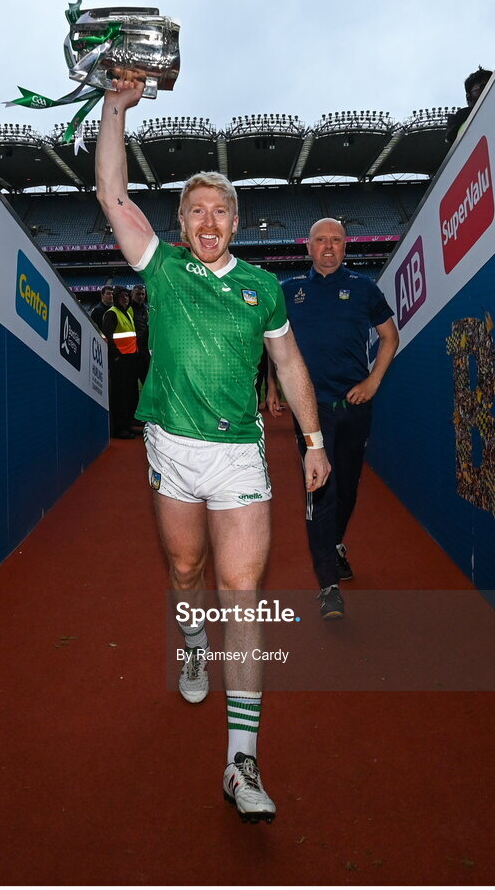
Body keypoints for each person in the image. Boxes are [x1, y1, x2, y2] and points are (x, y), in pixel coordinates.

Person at [96, 75, 330, 825]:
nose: (207, 219)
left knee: (242, 594)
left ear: (236, 221)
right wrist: (115, 109)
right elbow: (110, 194)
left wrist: (314, 439)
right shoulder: (160, 268)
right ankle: (189, 641)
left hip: (240, 459)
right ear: (182, 221)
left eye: (219, 209)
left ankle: (241, 762)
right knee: (188, 571)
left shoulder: (264, 287)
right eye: (195, 209)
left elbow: (288, 366)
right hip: (171, 448)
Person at [268, 218, 399, 619]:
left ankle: (335, 543)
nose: (328, 247)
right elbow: (273, 346)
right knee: (320, 493)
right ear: (307, 247)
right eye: (321, 240)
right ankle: (328, 585)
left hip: (355, 406)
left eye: (336, 240)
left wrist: (374, 381)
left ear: (346, 247)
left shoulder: (364, 289)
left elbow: (390, 337)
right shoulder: (289, 292)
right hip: (312, 410)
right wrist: (273, 388)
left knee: (347, 490)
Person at [102, 285, 139, 439]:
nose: (125, 298)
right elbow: (108, 337)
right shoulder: (112, 313)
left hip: (130, 360)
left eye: (127, 296)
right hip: (120, 361)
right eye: (122, 296)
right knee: (119, 396)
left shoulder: (126, 313)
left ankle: (127, 424)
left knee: (128, 395)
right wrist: (116, 356)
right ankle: (119, 429)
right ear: (116, 298)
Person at [445, 66, 492, 144]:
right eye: (483, 86)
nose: (488, 89)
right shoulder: (463, 118)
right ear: (469, 96)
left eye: (491, 84)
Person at [129, 283, 151, 393]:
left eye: (143, 294)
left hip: (144, 351)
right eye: (138, 294)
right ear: (132, 294)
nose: (141, 296)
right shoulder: (128, 309)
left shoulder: (146, 309)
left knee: (148, 384)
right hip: (132, 353)